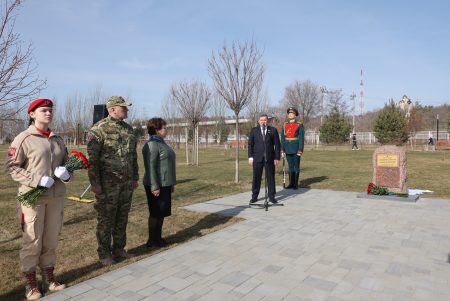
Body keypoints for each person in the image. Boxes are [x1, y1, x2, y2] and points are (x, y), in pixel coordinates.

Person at [5, 98, 70, 300]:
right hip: (33, 198)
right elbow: (11, 167)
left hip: (55, 197)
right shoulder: (24, 138)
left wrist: (67, 174)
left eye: (50, 110)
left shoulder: (57, 139)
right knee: (33, 239)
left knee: (51, 238)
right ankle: (31, 284)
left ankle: (49, 278)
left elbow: (67, 164)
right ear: (32, 114)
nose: (48, 113)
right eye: (43, 110)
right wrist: (36, 180)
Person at [87, 96, 139, 266]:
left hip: (126, 183)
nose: (127, 110)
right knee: (106, 220)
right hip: (108, 185)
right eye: (123, 107)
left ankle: (119, 249)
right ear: (112, 109)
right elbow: (92, 160)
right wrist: (95, 183)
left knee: (122, 218)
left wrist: (135, 177)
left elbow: (133, 156)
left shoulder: (129, 130)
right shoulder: (98, 130)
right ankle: (104, 254)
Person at [142, 118, 176, 248]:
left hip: (165, 183)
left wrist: (171, 183)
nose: (166, 130)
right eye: (164, 128)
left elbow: (168, 164)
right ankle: (151, 241)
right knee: (155, 213)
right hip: (155, 184)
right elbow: (150, 167)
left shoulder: (162, 143)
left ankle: (158, 238)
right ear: (156, 130)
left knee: (161, 213)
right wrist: (154, 186)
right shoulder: (151, 145)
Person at [248, 113, 281, 203]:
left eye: (265, 120)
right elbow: (250, 145)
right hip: (257, 158)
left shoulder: (273, 130)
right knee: (256, 178)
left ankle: (271, 196)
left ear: (268, 121)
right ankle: (254, 196)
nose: (263, 122)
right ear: (258, 121)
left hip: (269, 158)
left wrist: (277, 157)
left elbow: (277, 145)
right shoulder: (254, 130)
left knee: (270, 178)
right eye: (261, 120)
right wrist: (250, 157)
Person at [280, 107, 305, 189]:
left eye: (292, 113)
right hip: (287, 148)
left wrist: (300, 149)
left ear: (295, 115)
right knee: (290, 166)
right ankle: (291, 183)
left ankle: (295, 184)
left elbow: (301, 138)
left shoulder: (299, 125)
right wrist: (282, 149)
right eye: (289, 113)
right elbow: (283, 138)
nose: (290, 114)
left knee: (296, 166)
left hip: (296, 148)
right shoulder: (285, 125)